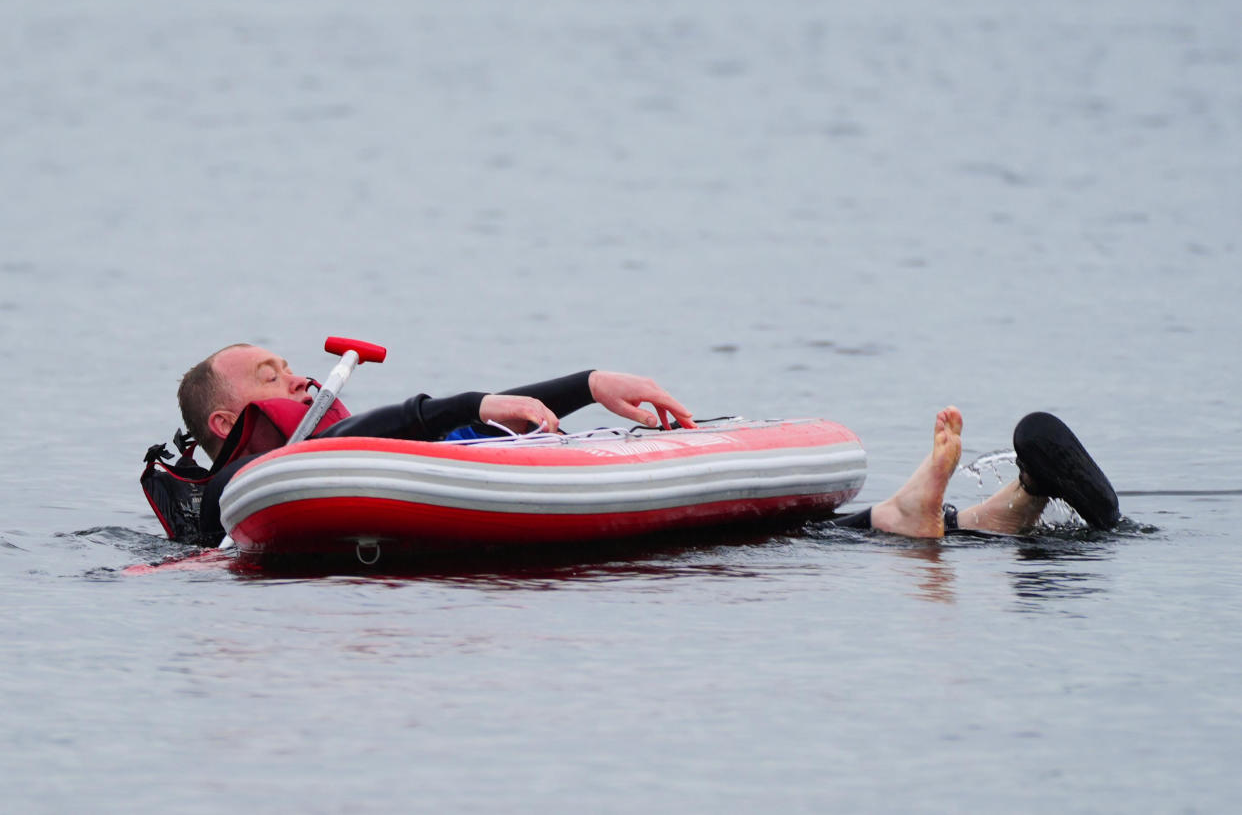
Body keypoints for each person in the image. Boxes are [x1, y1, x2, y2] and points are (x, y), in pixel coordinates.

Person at [176, 343, 1119, 543]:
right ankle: (946, 517)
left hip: (469, 493)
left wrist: (587, 389)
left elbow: (423, 430)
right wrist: (464, 404)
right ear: (226, 422)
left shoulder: (373, 449)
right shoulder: (237, 494)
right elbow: (394, 430)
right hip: (424, 499)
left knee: (758, 533)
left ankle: (973, 513)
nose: (296, 375)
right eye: (269, 374)